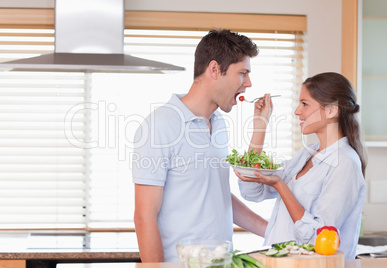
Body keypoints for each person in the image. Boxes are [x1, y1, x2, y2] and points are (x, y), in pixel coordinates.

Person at [132, 29, 270, 262]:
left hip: (221, 263)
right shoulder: (160, 125)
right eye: (242, 73)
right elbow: (144, 216)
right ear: (214, 70)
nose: (248, 83)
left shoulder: (219, 125)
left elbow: (216, 195)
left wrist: (275, 231)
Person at [236, 72, 367, 259]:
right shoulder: (306, 154)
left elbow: (319, 239)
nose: (297, 111)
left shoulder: (345, 163)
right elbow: (252, 190)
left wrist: (280, 186)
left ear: (331, 110)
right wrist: (260, 124)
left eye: (305, 104)